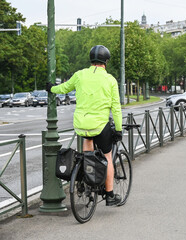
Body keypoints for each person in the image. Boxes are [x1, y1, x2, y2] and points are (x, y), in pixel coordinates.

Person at [46, 45, 123, 206]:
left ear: (91, 60)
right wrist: (118, 129)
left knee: (88, 146)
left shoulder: (80, 75)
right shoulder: (110, 80)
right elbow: (116, 107)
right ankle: (109, 195)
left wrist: (51, 88)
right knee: (107, 157)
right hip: (100, 125)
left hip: (81, 125)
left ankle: (86, 182)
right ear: (105, 61)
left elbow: (64, 88)